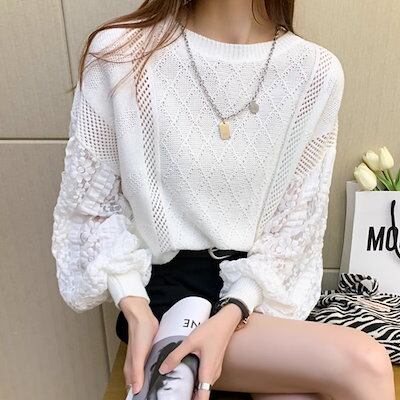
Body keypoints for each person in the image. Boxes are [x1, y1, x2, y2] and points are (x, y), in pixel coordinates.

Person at [50, 1, 396, 399]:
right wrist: (134, 305)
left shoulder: (316, 72)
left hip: (257, 295)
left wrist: (236, 309)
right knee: (366, 363)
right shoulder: (121, 54)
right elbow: (92, 210)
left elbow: (295, 222)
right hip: (166, 300)